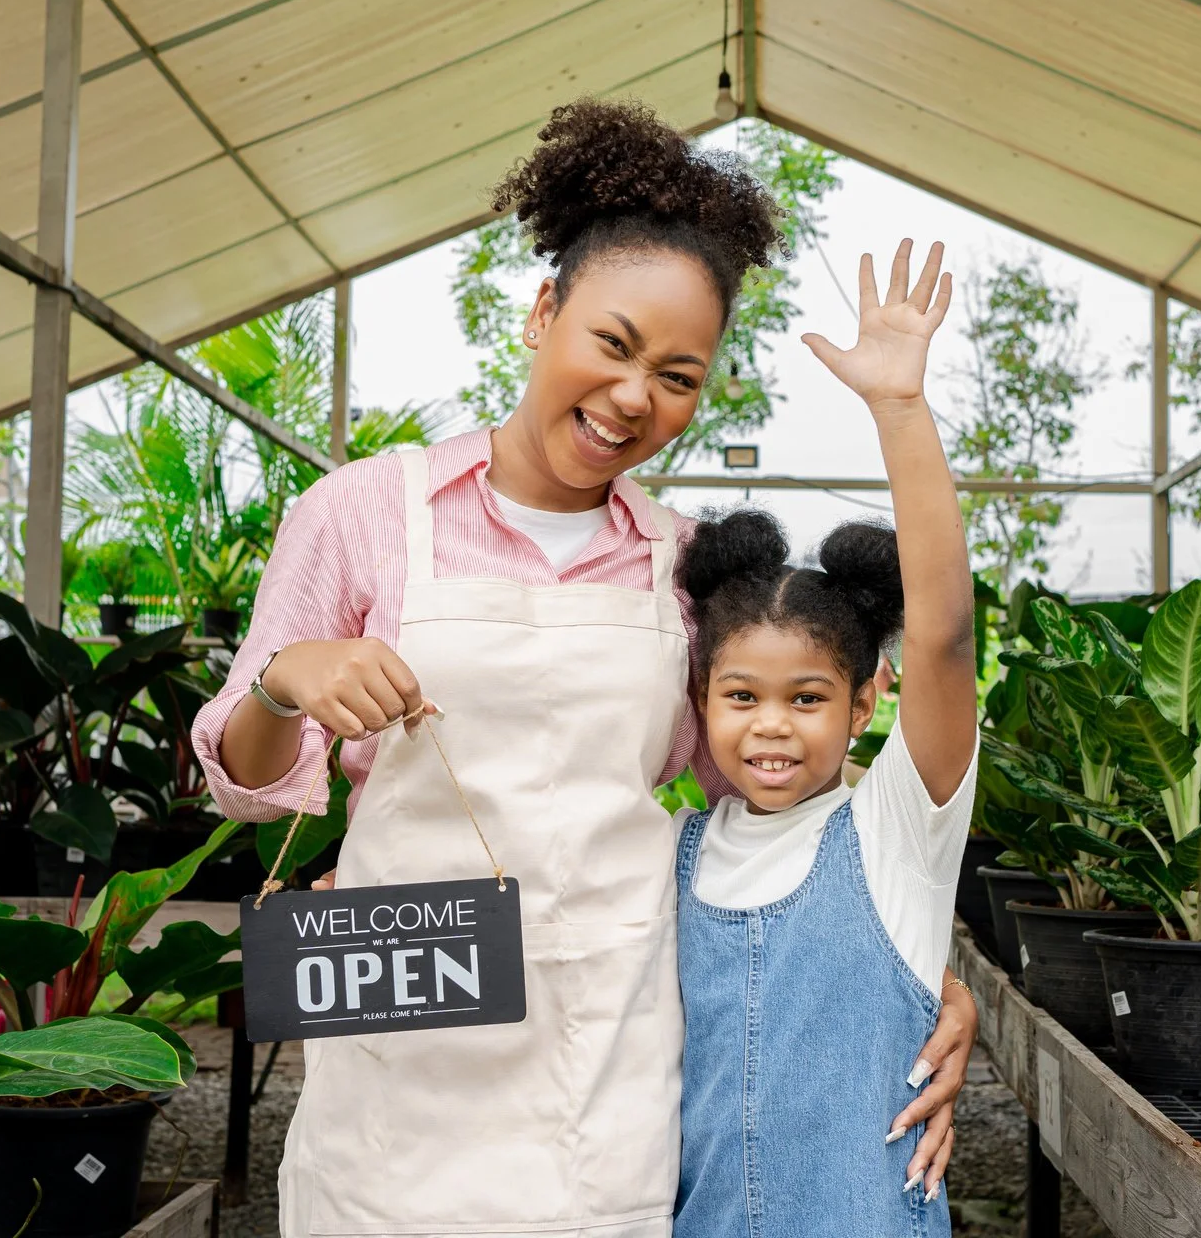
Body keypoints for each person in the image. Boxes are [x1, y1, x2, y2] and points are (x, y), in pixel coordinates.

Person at [189, 101, 977, 1238]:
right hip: (402, 1059)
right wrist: (283, 680)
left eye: (677, 374)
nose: (630, 399)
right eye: (611, 344)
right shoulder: (364, 513)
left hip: (611, 1065)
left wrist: (909, 977)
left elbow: (771, 810)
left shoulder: (688, 565)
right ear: (543, 308)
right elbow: (241, 777)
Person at [672, 240, 975, 1236]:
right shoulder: (667, 857)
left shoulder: (898, 831)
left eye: (805, 697)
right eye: (738, 694)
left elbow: (941, 633)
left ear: (864, 700)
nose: (769, 724)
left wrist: (897, 408)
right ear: (698, 698)